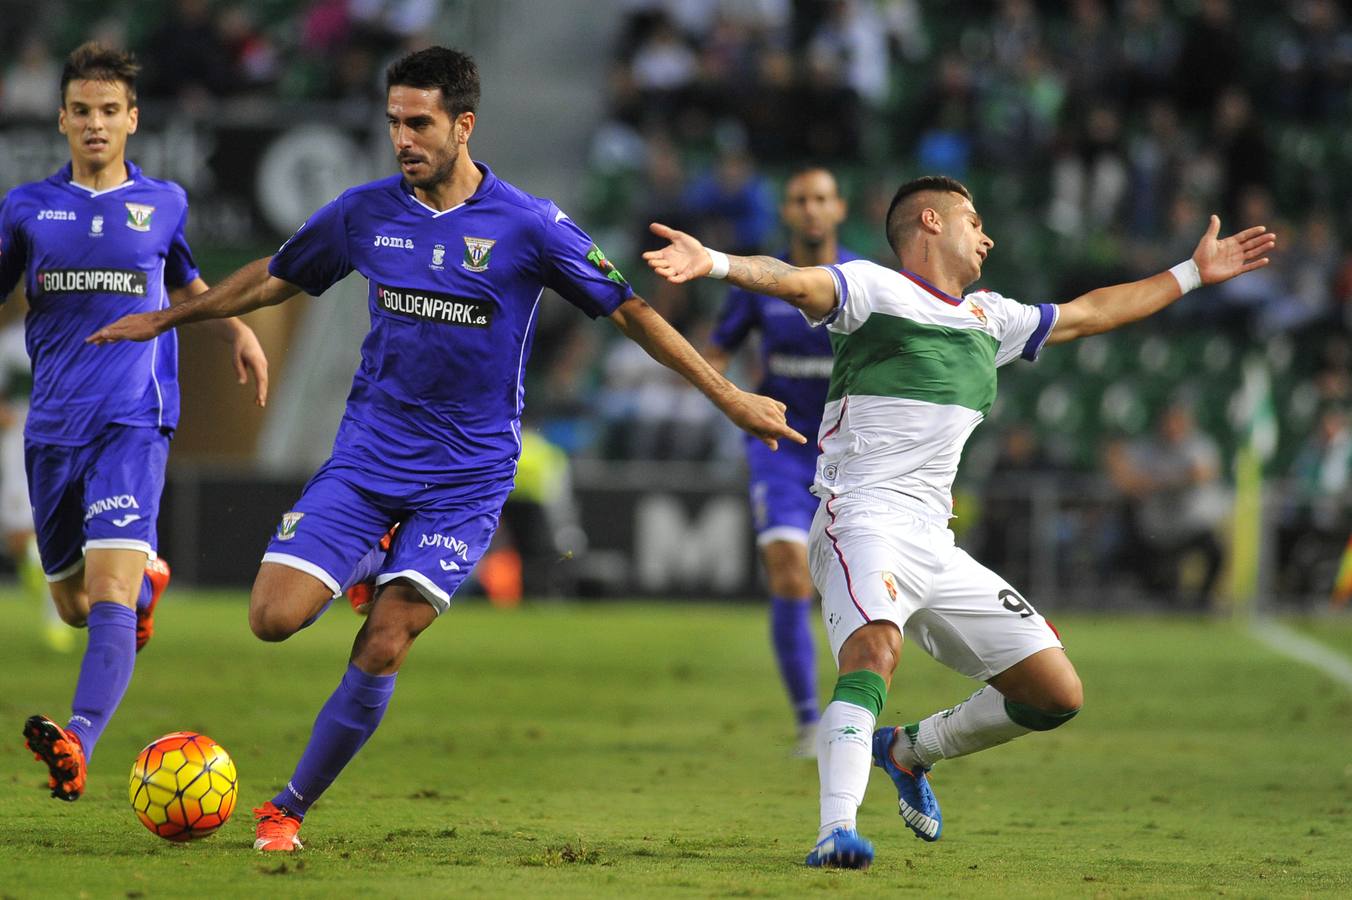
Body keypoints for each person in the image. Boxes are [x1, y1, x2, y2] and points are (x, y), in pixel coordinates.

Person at [88, 46, 802, 852]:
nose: (403, 138)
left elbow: (632, 311)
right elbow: (278, 276)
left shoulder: (530, 225)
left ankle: (286, 808)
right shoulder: (365, 213)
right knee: (271, 619)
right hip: (368, 459)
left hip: (467, 478)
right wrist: (168, 318)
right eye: (394, 121)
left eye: (419, 122)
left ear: (464, 126)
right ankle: (371, 556)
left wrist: (730, 396)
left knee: (387, 637)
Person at [644, 174, 1275, 868]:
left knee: (1056, 692)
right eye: (975, 220)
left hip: (932, 543)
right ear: (931, 223)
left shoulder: (991, 318)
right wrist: (719, 264)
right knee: (875, 652)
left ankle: (909, 749)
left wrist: (1191, 272)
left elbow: (1093, 312)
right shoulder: (873, 290)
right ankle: (835, 830)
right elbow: (795, 282)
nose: (989, 235)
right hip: (860, 520)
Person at [0, 43, 268, 803]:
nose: (95, 124)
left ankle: (78, 743)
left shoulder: (164, 202)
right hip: (52, 426)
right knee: (74, 604)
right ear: (61, 118)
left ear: (133, 120)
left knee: (107, 592)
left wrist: (235, 329)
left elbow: (186, 280)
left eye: (109, 111)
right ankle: (145, 587)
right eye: (82, 111)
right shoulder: (25, 209)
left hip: (134, 420)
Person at [704, 165, 857, 757]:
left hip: (851, 453)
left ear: (839, 208)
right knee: (790, 572)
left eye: (822, 198)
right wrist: (730, 397)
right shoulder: (761, 282)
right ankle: (807, 723)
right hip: (780, 450)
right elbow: (714, 354)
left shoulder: (863, 279)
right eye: (801, 199)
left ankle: (850, 719)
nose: (812, 209)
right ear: (787, 212)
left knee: (855, 586)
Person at [1104, 400, 1228, 609]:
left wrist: (1158, 481)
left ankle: (1203, 603)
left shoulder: (1198, 445)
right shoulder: (1147, 448)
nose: (1172, 428)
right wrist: (1174, 479)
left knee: (1215, 551)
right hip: (1156, 528)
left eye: (1178, 422)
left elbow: (1204, 473)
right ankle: (1167, 606)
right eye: (1169, 422)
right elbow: (1123, 477)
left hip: (1190, 524)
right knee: (1158, 578)